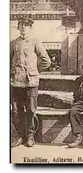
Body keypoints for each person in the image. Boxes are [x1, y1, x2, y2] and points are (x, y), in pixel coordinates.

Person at [10, 18, 51, 148]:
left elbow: (46, 60)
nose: (23, 28)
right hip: (16, 82)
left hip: (31, 82)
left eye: (26, 25)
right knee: (16, 111)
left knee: (31, 110)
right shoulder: (13, 43)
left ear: (30, 28)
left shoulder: (35, 42)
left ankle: (30, 136)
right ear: (18, 28)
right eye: (21, 25)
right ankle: (20, 136)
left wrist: (35, 70)